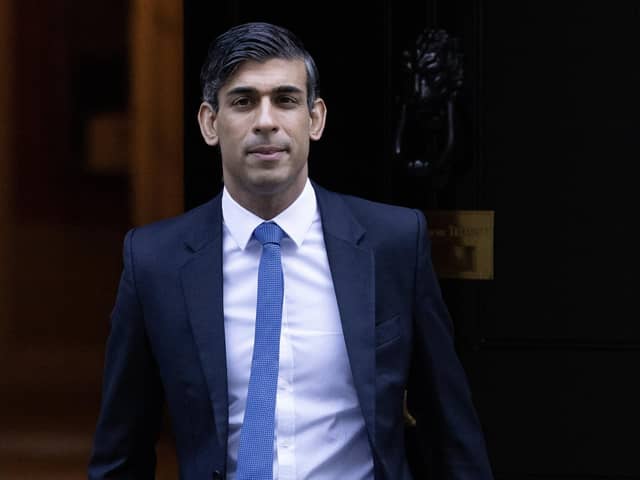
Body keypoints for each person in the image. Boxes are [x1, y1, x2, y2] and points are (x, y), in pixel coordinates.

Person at [88, 22, 493, 480]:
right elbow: (121, 452)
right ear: (209, 122)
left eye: (285, 99)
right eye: (243, 101)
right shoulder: (155, 261)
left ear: (314, 119)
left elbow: (450, 434)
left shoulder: (393, 242)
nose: (266, 121)